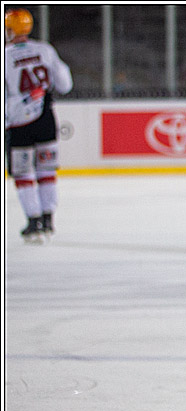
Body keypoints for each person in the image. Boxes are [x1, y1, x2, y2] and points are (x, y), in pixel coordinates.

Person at [4, 7, 73, 243]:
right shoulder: (45, 50)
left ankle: (33, 221)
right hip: (45, 117)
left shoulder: (5, 56)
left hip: (17, 122)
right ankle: (48, 218)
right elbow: (64, 83)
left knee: (23, 174)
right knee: (47, 171)